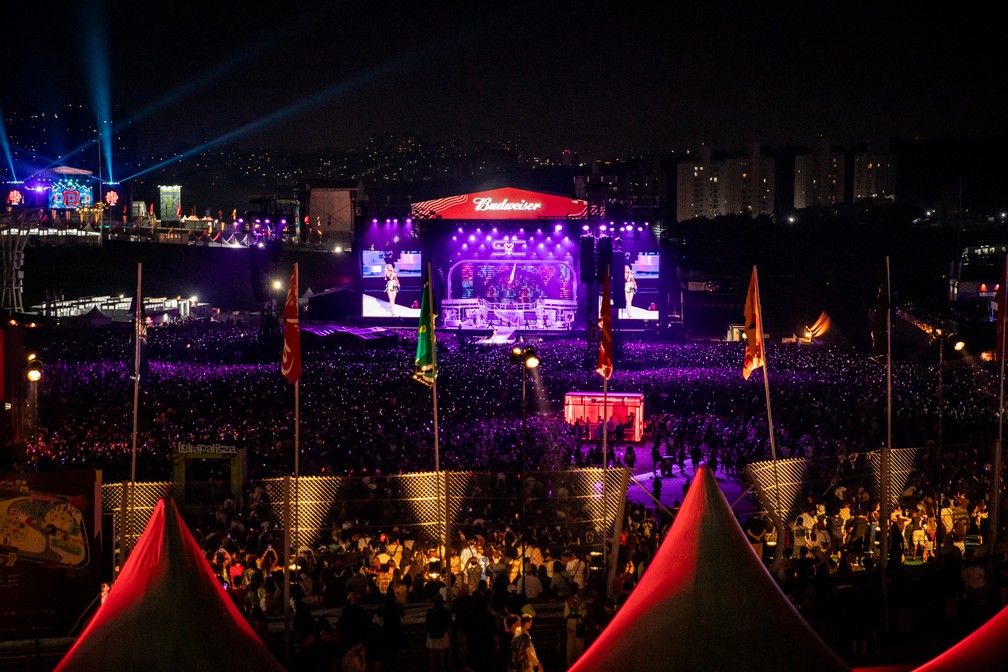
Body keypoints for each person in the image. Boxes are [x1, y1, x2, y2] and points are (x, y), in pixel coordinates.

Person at [425, 593, 452, 672]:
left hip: (432, 635)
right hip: (443, 634)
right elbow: (448, 625)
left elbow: (427, 623)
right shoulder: (446, 612)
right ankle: (442, 669)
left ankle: (433, 669)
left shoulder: (429, 611)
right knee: (441, 656)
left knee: (432, 656)